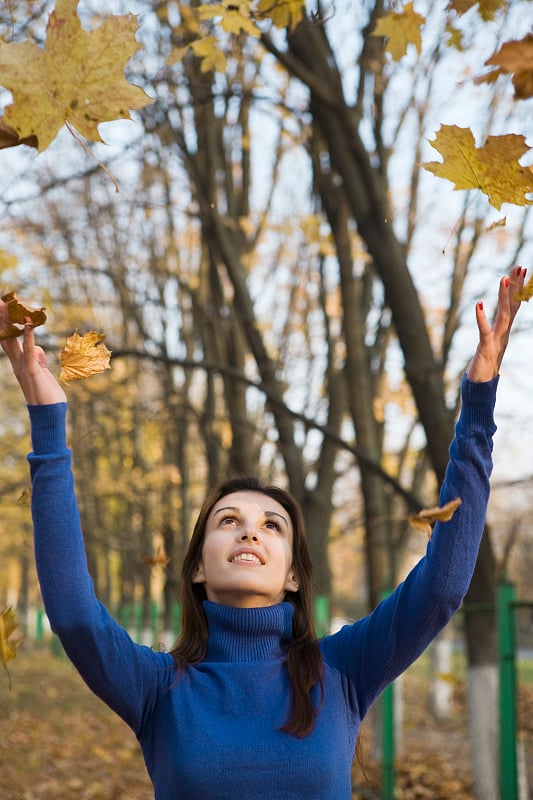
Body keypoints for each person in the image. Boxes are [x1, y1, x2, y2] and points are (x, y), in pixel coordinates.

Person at [0, 266, 526, 799]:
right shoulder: (160, 689)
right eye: (228, 521)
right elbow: (71, 613)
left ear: (294, 574)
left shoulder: (341, 670)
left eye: (271, 526)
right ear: (200, 565)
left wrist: (477, 407)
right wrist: (47, 420)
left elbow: (442, 587)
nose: (250, 533)